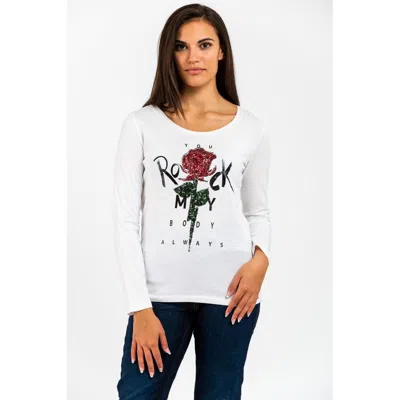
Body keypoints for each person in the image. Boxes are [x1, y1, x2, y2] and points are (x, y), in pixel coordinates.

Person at [113, 4, 272, 399]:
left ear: (221, 51)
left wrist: (260, 261)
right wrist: (140, 307)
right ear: (169, 54)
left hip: (230, 297)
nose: (192, 57)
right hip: (159, 298)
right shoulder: (142, 124)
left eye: (204, 45)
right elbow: (125, 220)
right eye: (181, 47)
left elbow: (258, 211)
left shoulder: (251, 128)